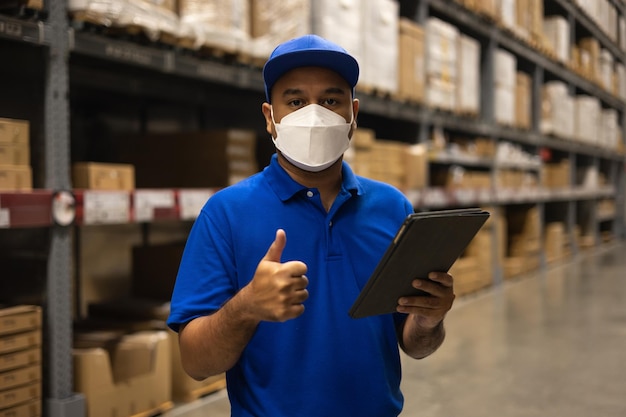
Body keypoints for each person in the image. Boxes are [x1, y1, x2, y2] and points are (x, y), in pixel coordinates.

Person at [167, 34, 456, 417]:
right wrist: (247, 307)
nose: (315, 114)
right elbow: (195, 362)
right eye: (296, 101)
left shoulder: (393, 208)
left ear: (352, 115)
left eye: (331, 101)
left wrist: (430, 319)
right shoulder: (226, 214)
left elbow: (416, 345)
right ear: (271, 117)